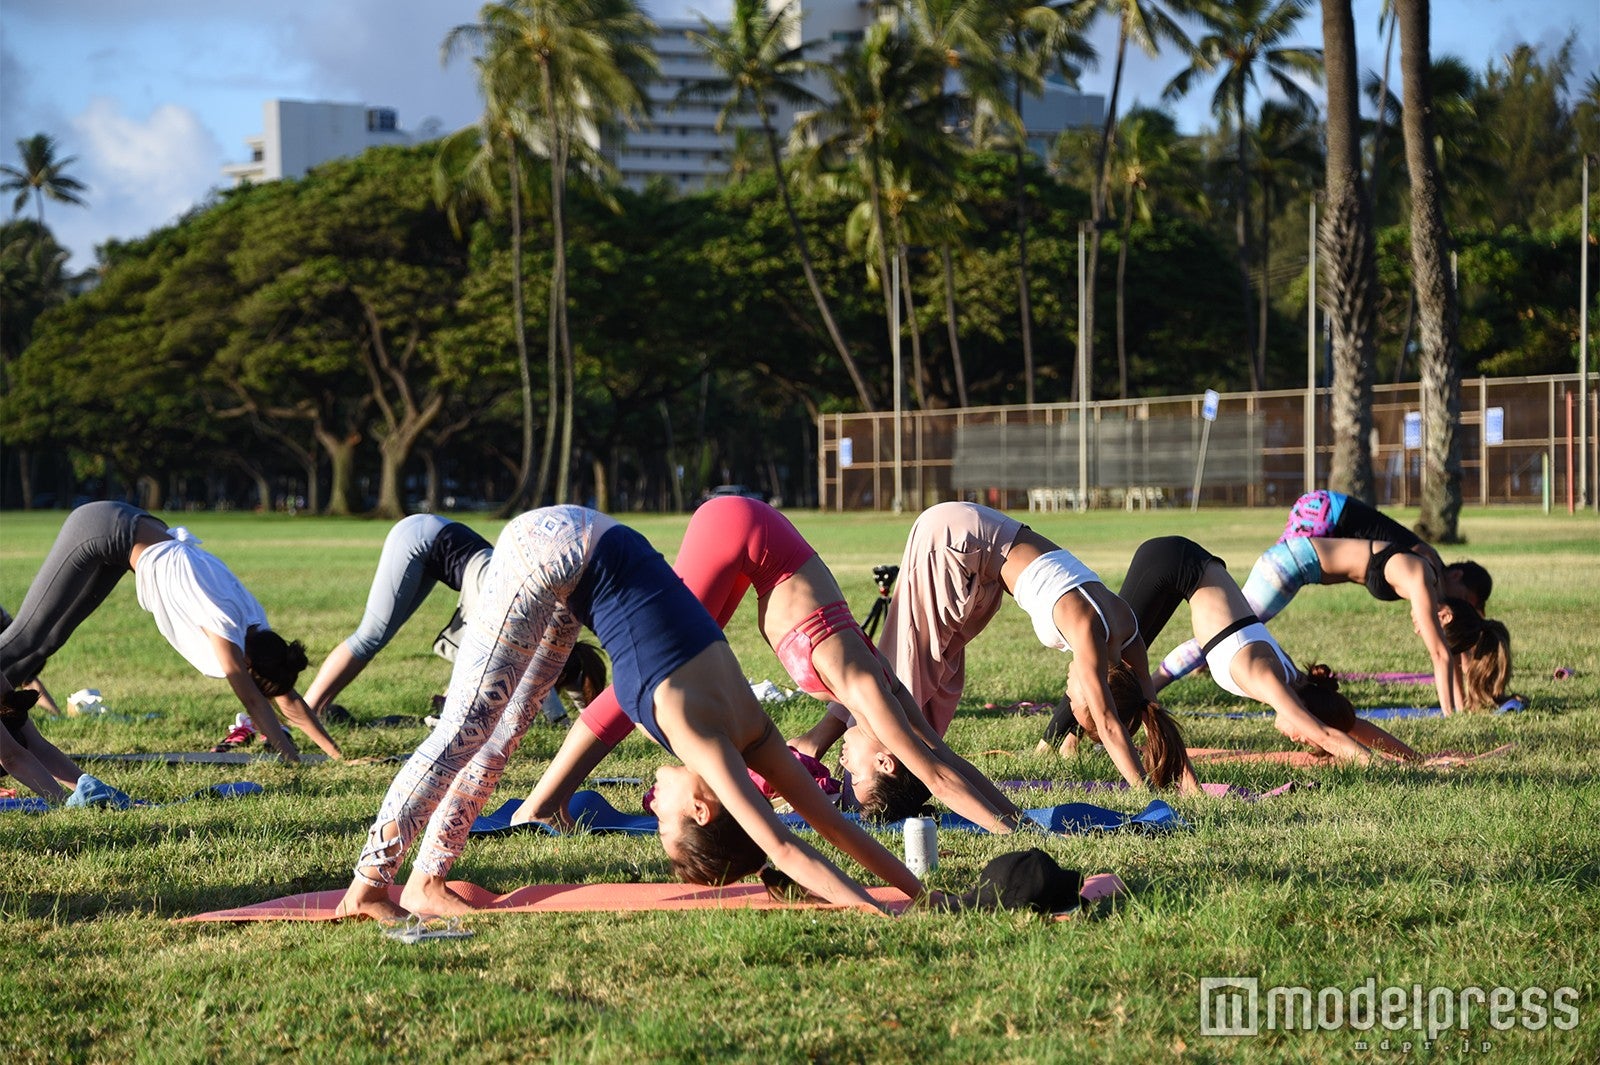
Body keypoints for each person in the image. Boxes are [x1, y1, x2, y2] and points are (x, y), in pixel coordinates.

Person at [335, 505, 930, 922]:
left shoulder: (754, 732)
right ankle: (368, 887)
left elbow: (833, 825)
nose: (655, 812)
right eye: (668, 826)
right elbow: (783, 847)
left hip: (592, 552)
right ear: (702, 807)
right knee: (465, 730)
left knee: (504, 731)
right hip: (554, 549)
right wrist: (879, 914)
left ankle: (427, 880)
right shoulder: (706, 743)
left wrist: (918, 894)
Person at [512, 496, 1024, 835]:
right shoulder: (868, 688)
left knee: (649, 688)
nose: (839, 767)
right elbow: (935, 774)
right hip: (740, 532)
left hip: (751, 551)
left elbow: (946, 757)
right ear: (889, 761)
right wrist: (1013, 836)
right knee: (636, 686)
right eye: (854, 775)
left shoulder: (883, 699)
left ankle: (546, 800)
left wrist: (1018, 816)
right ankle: (540, 804)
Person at [797, 501, 1198, 806]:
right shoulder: (1090, 633)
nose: (1068, 690)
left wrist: (1187, 782)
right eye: (1076, 699)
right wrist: (1146, 796)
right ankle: (856, 777)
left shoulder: (1124, 628)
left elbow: (1151, 707)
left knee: (940, 680)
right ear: (1098, 691)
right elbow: (1109, 725)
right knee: (902, 674)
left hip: (980, 571)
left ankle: (897, 778)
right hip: (953, 542)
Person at [0, 501, 340, 763]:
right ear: (249, 660)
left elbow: (284, 695)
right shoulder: (225, 627)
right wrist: (291, 759)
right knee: (27, 636)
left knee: (49, 640)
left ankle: (5, 727)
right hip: (103, 527)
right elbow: (253, 699)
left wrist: (337, 755)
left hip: (126, 536)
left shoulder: (259, 631)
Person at [1048, 536, 1418, 764]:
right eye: (1303, 731)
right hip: (1173, 562)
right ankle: (1050, 744)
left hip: (1185, 568)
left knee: (1119, 669)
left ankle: (1068, 741)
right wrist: (1384, 767)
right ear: (1305, 711)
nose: (1298, 737)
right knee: (1099, 653)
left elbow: (1347, 724)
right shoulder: (1269, 677)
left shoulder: (1296, 680)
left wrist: (1415, 758)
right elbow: (1325, 733)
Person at [1153, 530, 1487, 714]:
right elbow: (1440, 654)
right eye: (1434, 621)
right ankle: (1150, 686)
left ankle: (1151, 684)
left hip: (1294, 563)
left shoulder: (1421, 576)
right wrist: (1452, 713)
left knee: (1226, 633)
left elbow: (1445, 649)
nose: (1422, 624)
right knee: (1223, 635)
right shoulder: (1420, 576)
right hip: (1291, 563)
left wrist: (1464, 694)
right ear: (1445, 613)